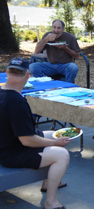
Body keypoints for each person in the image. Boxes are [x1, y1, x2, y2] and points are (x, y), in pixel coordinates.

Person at [0, 58, 71, 209]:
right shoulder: (16, 102)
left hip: (7, 141)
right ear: (27, 76)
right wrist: (55, 144)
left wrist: (53, 139)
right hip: (11, 153)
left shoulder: (3, 93)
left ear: (7, 73)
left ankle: (48, 181)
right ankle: (50, 202)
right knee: (61, 154)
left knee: (54, 134)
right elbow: (27, 140)